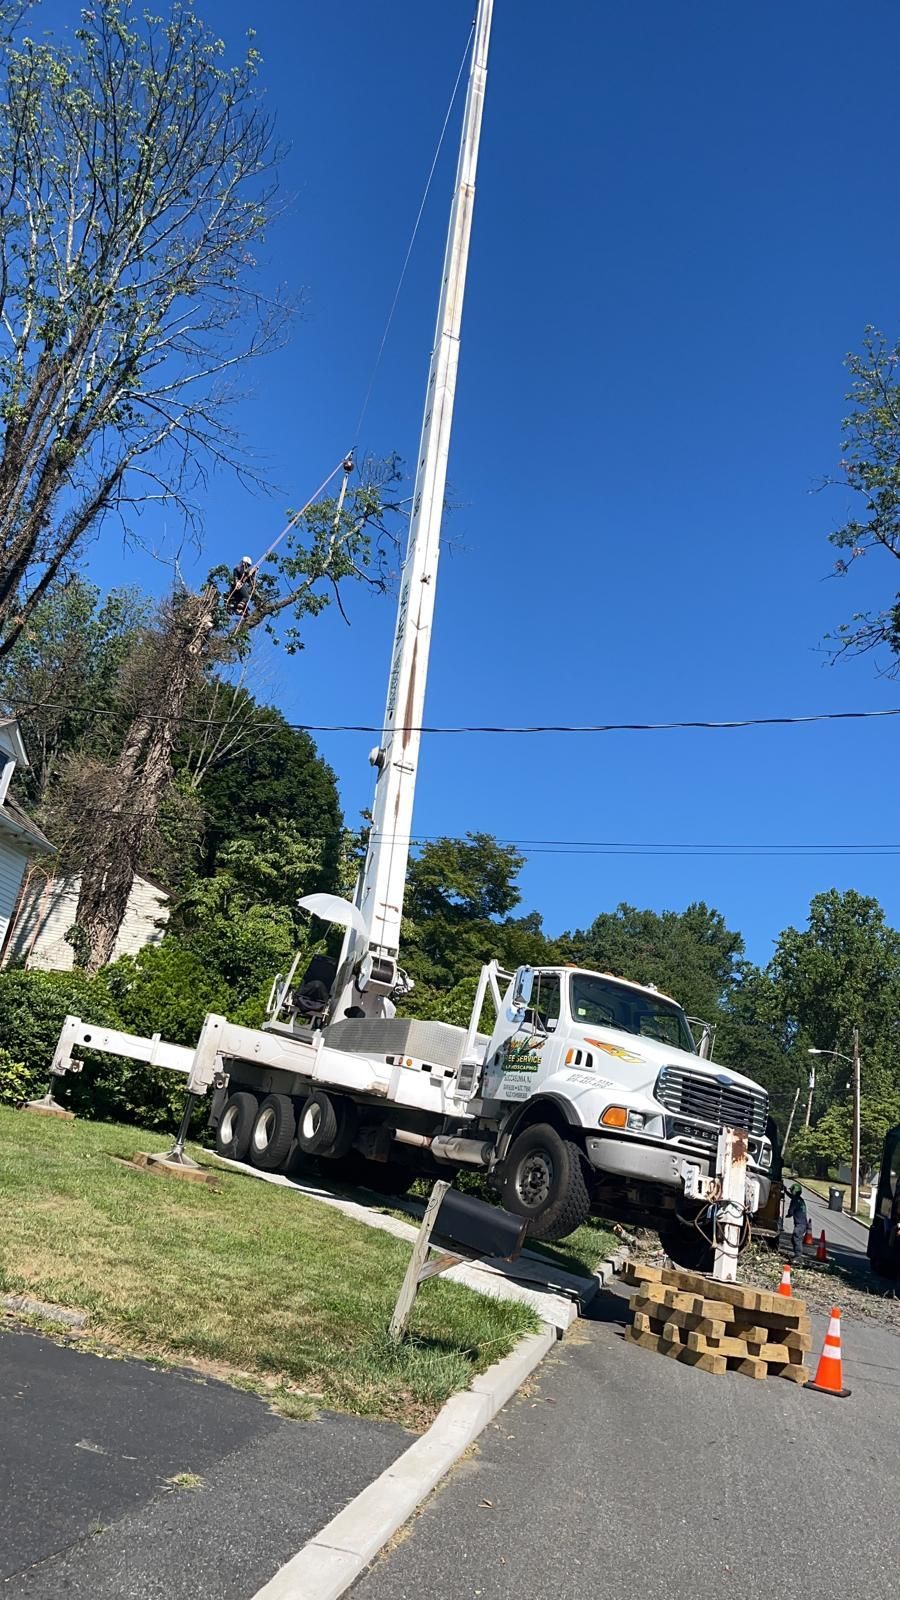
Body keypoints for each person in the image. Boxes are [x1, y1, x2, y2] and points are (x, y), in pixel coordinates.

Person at [786, 1183, 810, 1264]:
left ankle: (798, 1257)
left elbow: (791, 1210)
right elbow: (792, 1197)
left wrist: (789, 1214)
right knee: (794, 1239)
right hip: (803, 1224)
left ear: (794, 1191)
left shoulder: (794, 1201)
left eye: (791, 1190)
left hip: (800, 1225)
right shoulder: (800, 1199)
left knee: (796, 1238)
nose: (791, 1192)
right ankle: (797, 1255)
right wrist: (786, 1191)